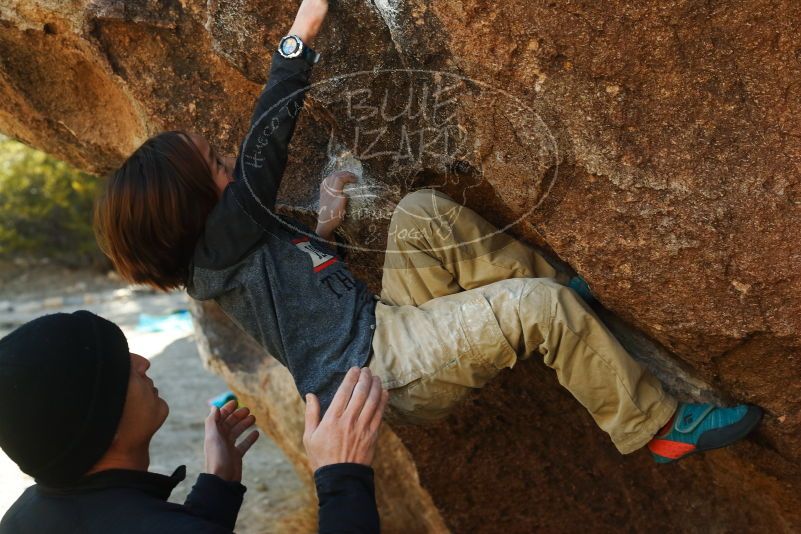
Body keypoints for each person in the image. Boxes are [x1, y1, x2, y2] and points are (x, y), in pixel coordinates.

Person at [93, 0, 762, 464]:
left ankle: (563, 292)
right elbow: (267, 143)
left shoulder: (230, 253)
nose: (231, 163)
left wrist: (325, 224)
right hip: (385, 370)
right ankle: (656, 426)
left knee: (420, 213)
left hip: (385, 324)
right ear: (191, 212)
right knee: (537, 311)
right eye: (215, 166)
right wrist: (301, 31)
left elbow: (304, 293)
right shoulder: (217, 251)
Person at [0, 311, 386, 533]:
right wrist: (341, 475)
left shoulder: (24, 516)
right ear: (100, 424)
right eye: (121, 367)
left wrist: (217, 486)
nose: (142, 362)